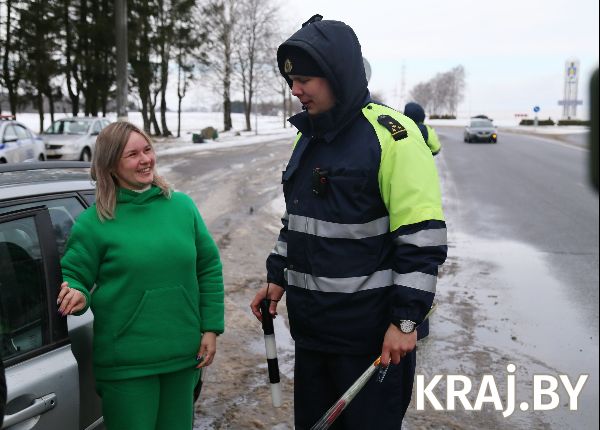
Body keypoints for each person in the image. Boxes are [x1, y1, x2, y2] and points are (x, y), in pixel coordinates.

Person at [250, 15, 447, 430]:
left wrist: (405, 320)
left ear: (337, 73)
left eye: (305, 79)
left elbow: (421, 241)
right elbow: (298, 221)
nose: (295, 90)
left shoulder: (394, 137)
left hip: (371, 342)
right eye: (291, 81)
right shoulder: (308, 137)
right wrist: (276, 277)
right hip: (313, 335)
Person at [57, 121, 224, 430]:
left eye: (147, 149)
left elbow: (208, 267)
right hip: (126, 366)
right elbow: (75, 276)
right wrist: (78, 294)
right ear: (111, 164)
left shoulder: (182, 207)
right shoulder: (94, 222)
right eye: (132, 154)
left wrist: (211, 328)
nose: (145, 159)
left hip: (182, 356)